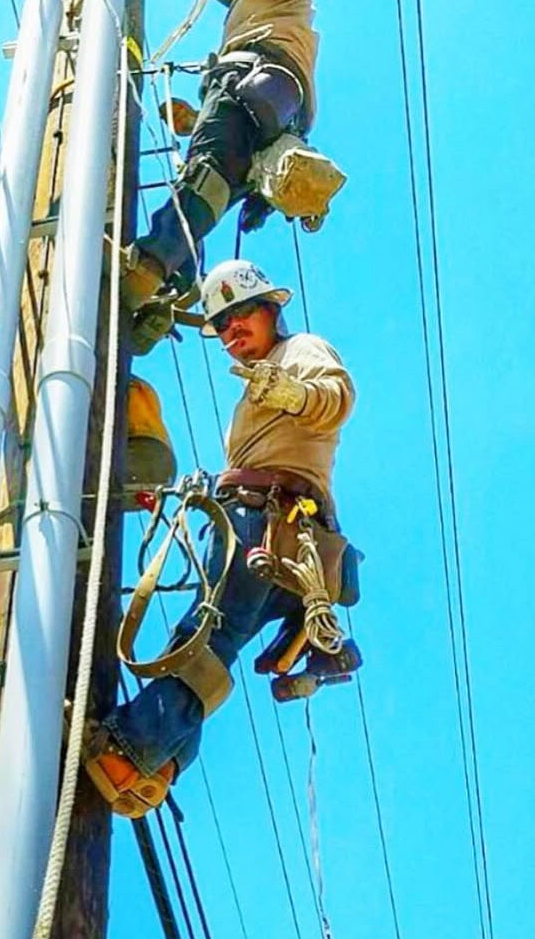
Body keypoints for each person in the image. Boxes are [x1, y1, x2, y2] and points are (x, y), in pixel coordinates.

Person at [87, 257, 356, 818]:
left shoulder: (299, 351)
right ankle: (162, 764)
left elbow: (336, 397)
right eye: (222, 325)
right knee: (211, 644)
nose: (232, 331)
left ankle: (129, 752)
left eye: (242, 316)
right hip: (266, 521)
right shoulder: (255, 385)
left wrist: (293, 394)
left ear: (271, 309)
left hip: (270, 518)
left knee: (205, 639)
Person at [122, 0, 323, 342]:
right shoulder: (246, 12)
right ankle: (171, 287)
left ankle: (148, 267)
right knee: (208, 193)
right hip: (271, 113)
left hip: (256, 83)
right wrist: (195, 120)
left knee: (203, 177)